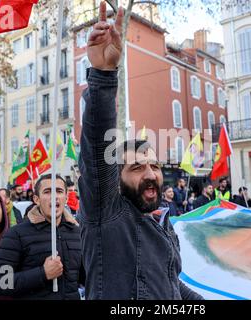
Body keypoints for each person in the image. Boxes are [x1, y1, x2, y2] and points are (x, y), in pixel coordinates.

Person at [78, 3, 202, 300]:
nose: (150, 175)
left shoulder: (160, 219)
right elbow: (97, 148)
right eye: (136, 168)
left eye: (154, 166)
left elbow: (170, 282)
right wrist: (104, 74)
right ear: (115, 180)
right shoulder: (107, 215)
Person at [0, 174, 85, 300]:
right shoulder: (16, 234)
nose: (54, 196)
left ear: (66, 198)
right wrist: (42, 273)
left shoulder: (77, 233)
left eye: (59, 191)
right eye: (47, 191)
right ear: (36, 199)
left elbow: (86, 277)